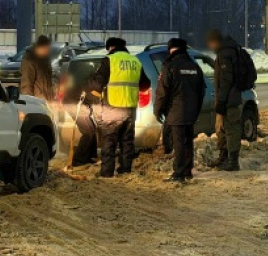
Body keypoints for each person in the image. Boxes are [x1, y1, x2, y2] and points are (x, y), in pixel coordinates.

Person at [87, 37, 150, 177]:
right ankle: (125, 170)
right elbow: (145, 85)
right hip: (130, 108)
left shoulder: (110, 60)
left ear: (111, 47)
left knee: (109, 140)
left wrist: (90, 84)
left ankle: (107, 173)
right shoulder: (135, 61)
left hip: (112, 107)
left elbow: (97, 84)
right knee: (127, 141)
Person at [154, 38, 205, 182]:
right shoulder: (194, 66)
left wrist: (157, 110)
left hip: (175, 110)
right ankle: (187, 171)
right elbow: (201, 91)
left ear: (171, 49)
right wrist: (196, 109)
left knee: (178, 143)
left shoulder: (170, 66)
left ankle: (178, 173)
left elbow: (162, 92)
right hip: (191, 111)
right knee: (188, 141)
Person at [206, 30, 243, 171]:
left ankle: (233, 162)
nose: (209, 46)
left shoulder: (225, 55)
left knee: (231, 130)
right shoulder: (227, 53)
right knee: (222, 129)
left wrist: (220, 103)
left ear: (215, 42)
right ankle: (224, 158)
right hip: (229, 98)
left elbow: (225, 82)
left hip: (230, 100)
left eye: (210, 43)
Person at [20, 35, 55, 101]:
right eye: (46, 49)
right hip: (37, 101)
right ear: (41, 47)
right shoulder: (29, 61)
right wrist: (30, 103)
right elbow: (26, 84)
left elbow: (48, 82)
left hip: (45, 101)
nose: (48, 51)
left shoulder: (45, 60)